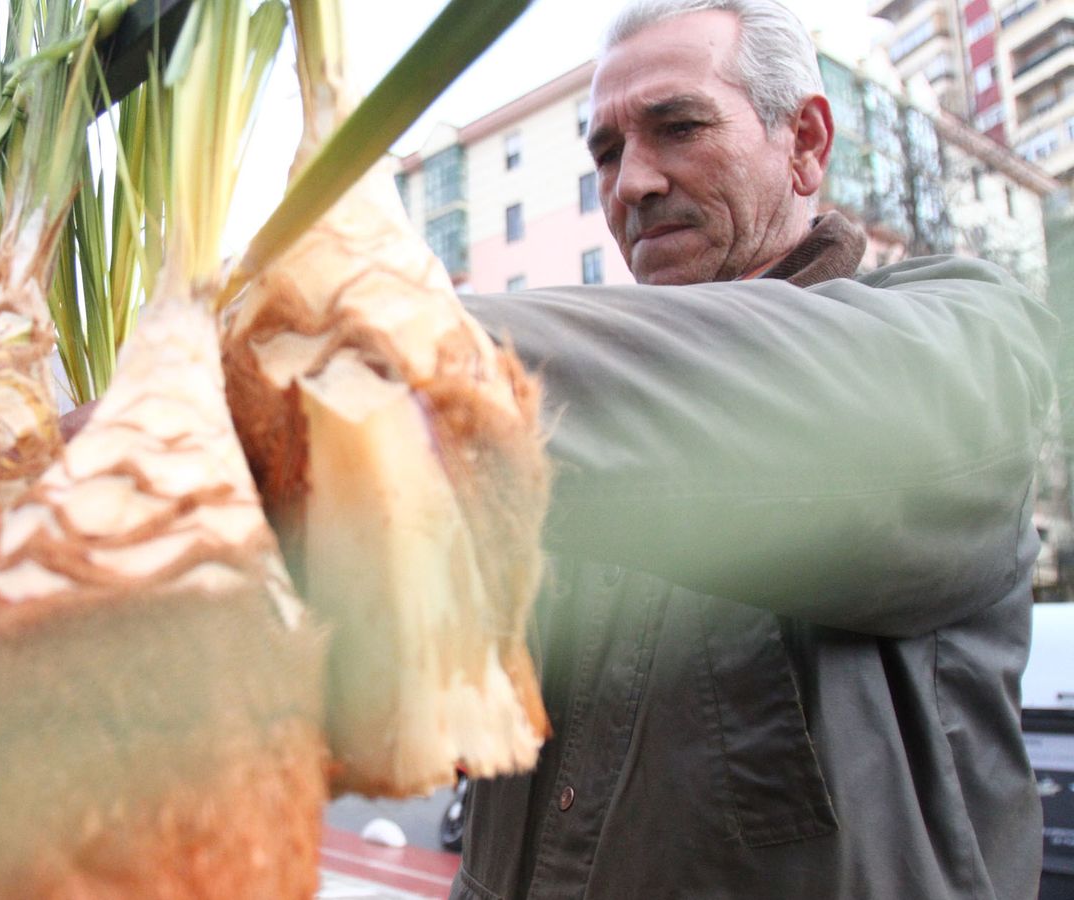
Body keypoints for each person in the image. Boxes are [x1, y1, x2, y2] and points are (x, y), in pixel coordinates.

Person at [453, 1, 1057, 897]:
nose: (631, 184)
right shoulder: (569, 413)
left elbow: (741, 393)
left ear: (806, 141)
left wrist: (362, 346)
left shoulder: (962, 342)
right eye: (607, 152)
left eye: (679, 126)